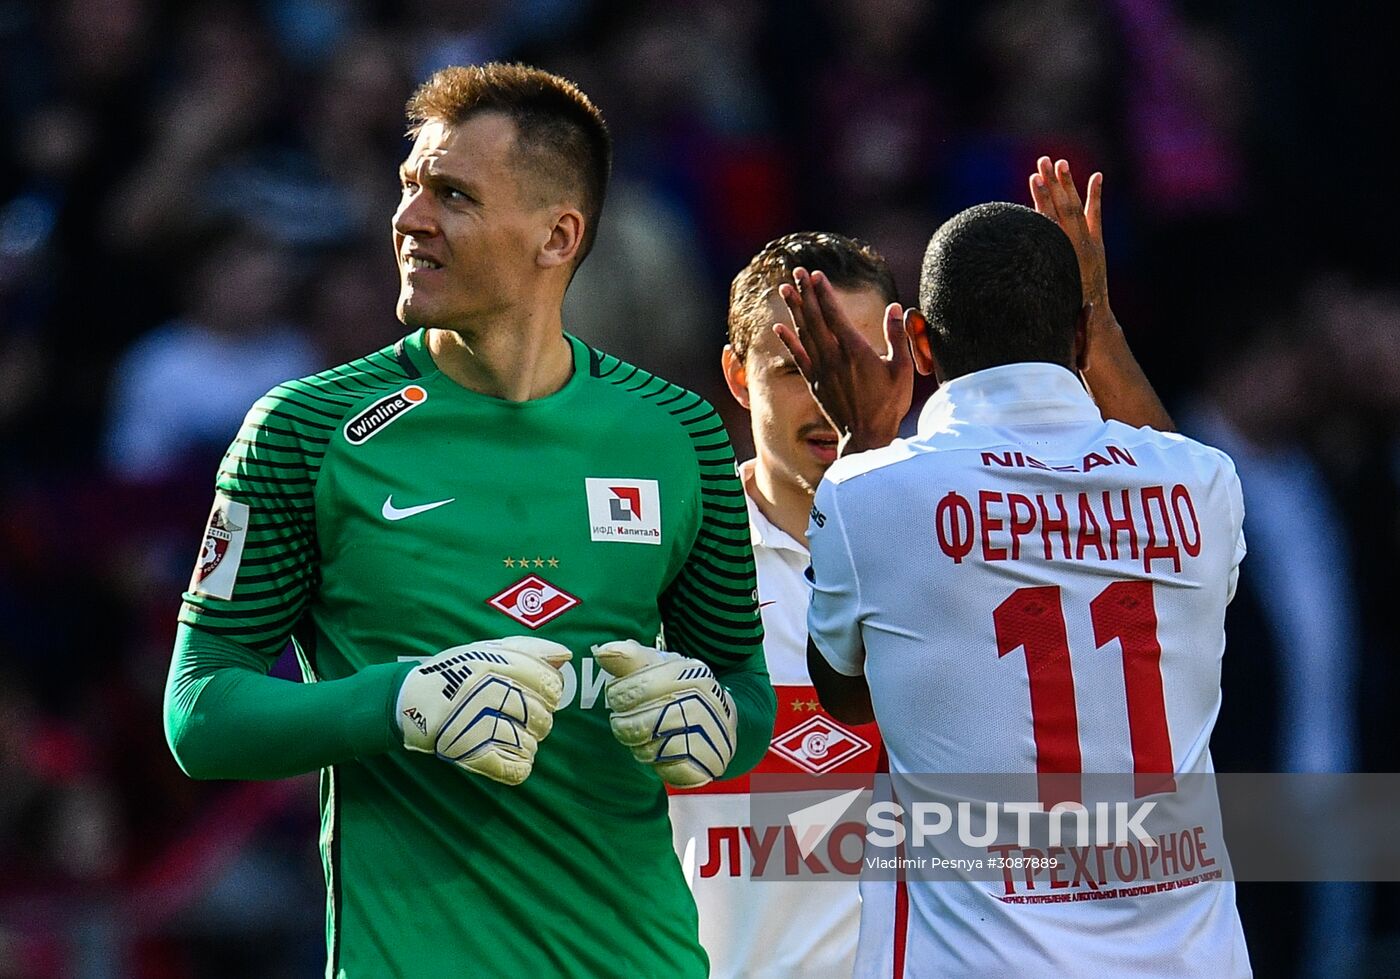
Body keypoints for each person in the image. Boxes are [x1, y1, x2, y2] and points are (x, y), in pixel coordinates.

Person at [162, 63, 776, 977]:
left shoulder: (678, 433)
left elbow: (745, 692)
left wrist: (713, 722)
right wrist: (399, 701)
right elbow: (199, 711)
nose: (410, 221)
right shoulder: (304, 431)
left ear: (557, 236)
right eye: (409, 188)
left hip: (643, 958)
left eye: (452, 195)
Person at [675, 162, 1180, 977]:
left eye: (859, 363)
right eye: (797, 368)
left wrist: (1090, 329)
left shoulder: (986, 535)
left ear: (912, 357)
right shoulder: (676, 565)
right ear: (737, 378)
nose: (831, 395)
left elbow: (1164, 496)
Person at [783, 168, 1249, 976]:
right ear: (1076, 337)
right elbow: (1169, 463)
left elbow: (850, 692)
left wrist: (864, 439)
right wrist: (1101, 317)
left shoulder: (871, 493)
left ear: (921, 344)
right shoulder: (1205, 483)